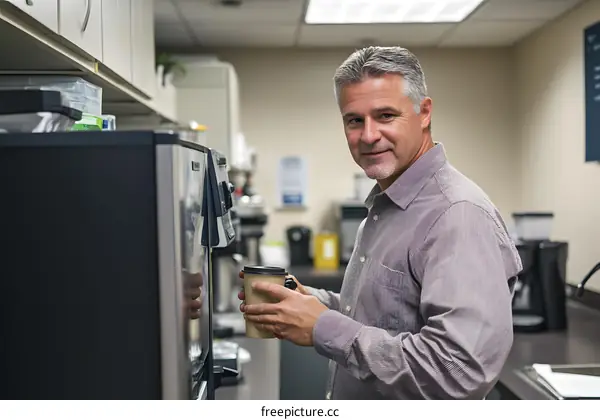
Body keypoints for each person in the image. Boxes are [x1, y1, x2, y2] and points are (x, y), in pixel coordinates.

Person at [238, 46, 522, 400]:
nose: (368, 136)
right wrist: (311, 302)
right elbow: (385, 315)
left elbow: (458, 372)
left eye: (385, 115)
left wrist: (323, 327)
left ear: (424, 113)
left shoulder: (457, 214)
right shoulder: (386, 204)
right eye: (354, 120)